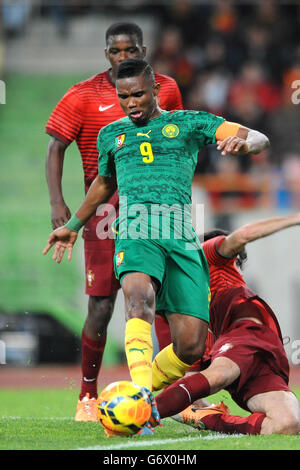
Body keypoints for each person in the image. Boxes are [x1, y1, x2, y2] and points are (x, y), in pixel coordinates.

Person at [43, 58, 269, 425]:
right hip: (135, 230)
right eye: (124, 96)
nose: (131, 103)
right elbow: (105, 183)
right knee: (137, 298)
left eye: (138, 95)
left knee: (191, 346)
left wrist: (247, 146)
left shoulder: (189, 123)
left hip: (181, 237)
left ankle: (144, 387)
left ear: (156, 91)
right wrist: (73, 223)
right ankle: (142, 401)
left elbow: (257, 138)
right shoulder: (111, 135)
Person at [45, 22, 183, 422]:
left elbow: (175, 138)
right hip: (103, 206)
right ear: (107, 54)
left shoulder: (166, 88)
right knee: (102, 303)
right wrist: (60, 205)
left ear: (143, 48)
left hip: (152, 202)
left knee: (163, 299)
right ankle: (87, 396)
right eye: (116, 51)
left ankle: (174, 393)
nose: (123, 56)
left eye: (130, 49)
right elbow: (56, 147)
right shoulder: (82, 94)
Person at [154, 213, 300, 435]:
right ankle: (143, 413)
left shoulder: (200, 318)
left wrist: (192, 403)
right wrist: (295, 218)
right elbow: (244, 234)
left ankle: (209, 420)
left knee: (287, 424)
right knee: (219, 374)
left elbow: (187, 375)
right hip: (245, 332)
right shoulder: (207, 256)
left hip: (266, 352)